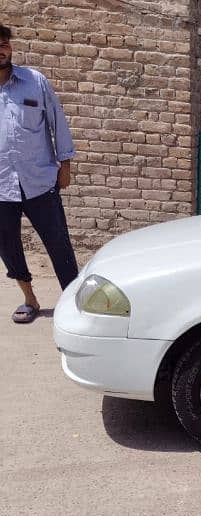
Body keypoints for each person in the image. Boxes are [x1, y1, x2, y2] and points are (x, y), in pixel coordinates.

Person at [0, 23, 79, 323]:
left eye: (5, 43)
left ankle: (73, 304)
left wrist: (66, 163)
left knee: (59, 243)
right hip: (1, 185)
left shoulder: (35, 82)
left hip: (39, 180)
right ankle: (29, 299)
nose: (2, 50)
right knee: (8, 246)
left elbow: (57, 122)